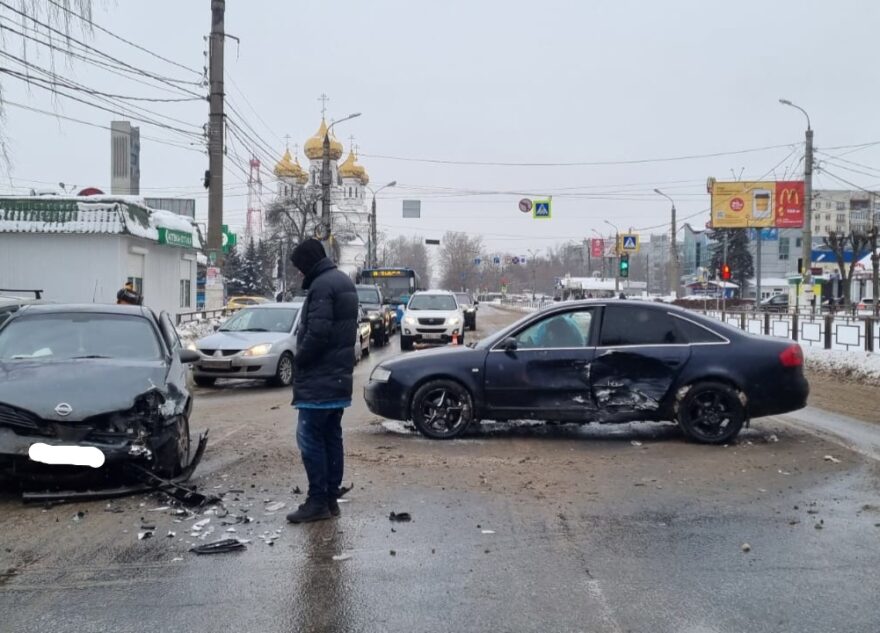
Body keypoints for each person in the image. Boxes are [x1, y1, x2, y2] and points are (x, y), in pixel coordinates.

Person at [285, 238, 358, 524]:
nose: (300, 273)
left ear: (308, 262)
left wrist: (300, 360)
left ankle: (317, 501)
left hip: (320, 379)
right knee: (330, 436)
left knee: (310, 438)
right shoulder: (340, 281)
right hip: (337, 377)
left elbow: (318, 332)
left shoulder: (322, 286)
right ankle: (329, 499)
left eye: (301, 267)